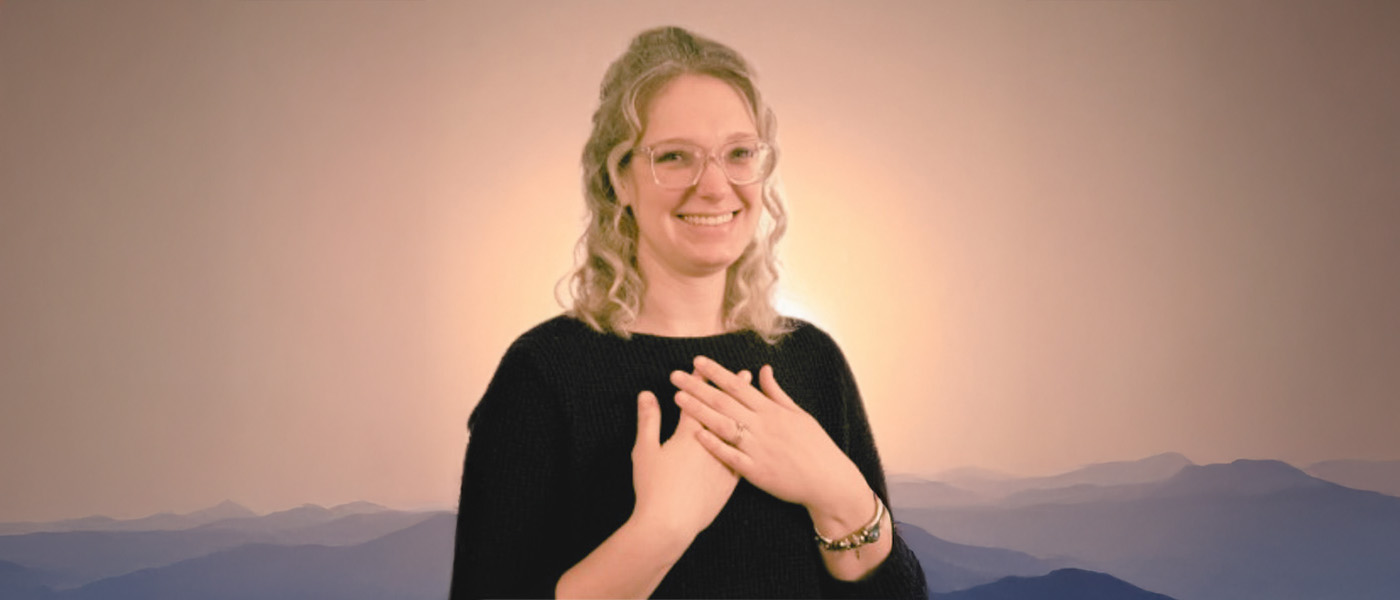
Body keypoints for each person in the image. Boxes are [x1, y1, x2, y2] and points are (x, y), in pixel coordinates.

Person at [450, 26, 927, 598]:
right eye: (675, 157)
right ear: (619, 178)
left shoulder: (812, 361)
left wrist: (840, 496)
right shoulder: (542, 375)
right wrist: (661, 529)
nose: (715, 187)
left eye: (739, 154)